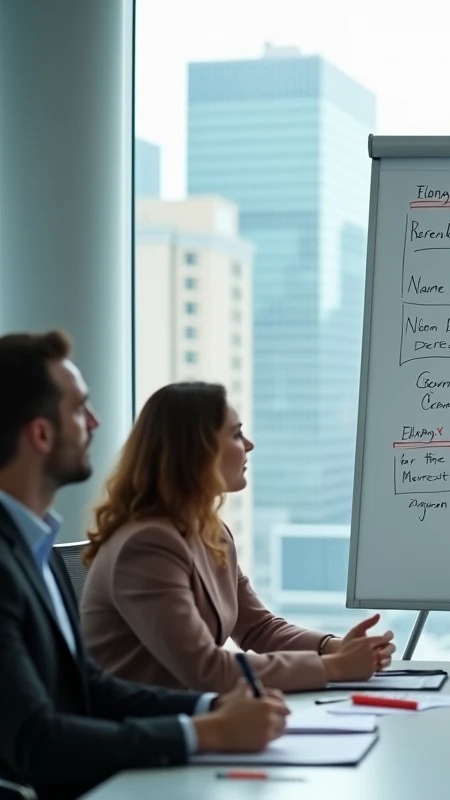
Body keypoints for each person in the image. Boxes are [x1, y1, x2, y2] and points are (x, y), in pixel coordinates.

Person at [0, 331, 290, 799]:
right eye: (79, 409)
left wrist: (212, 706)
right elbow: (37, 742)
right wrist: (206, 733)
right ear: (41, 433)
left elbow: (91, 687)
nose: (94, 421)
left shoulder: (34, 548)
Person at [80, 381, 395, 694]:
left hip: (195, 717)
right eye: (235, 434)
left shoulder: (210, 531)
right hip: (145, 730)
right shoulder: (146, 545)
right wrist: (335, 668)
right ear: (196, 452)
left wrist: (334, 647)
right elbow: (207, 669)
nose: (249, 444)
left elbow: (258, 629)